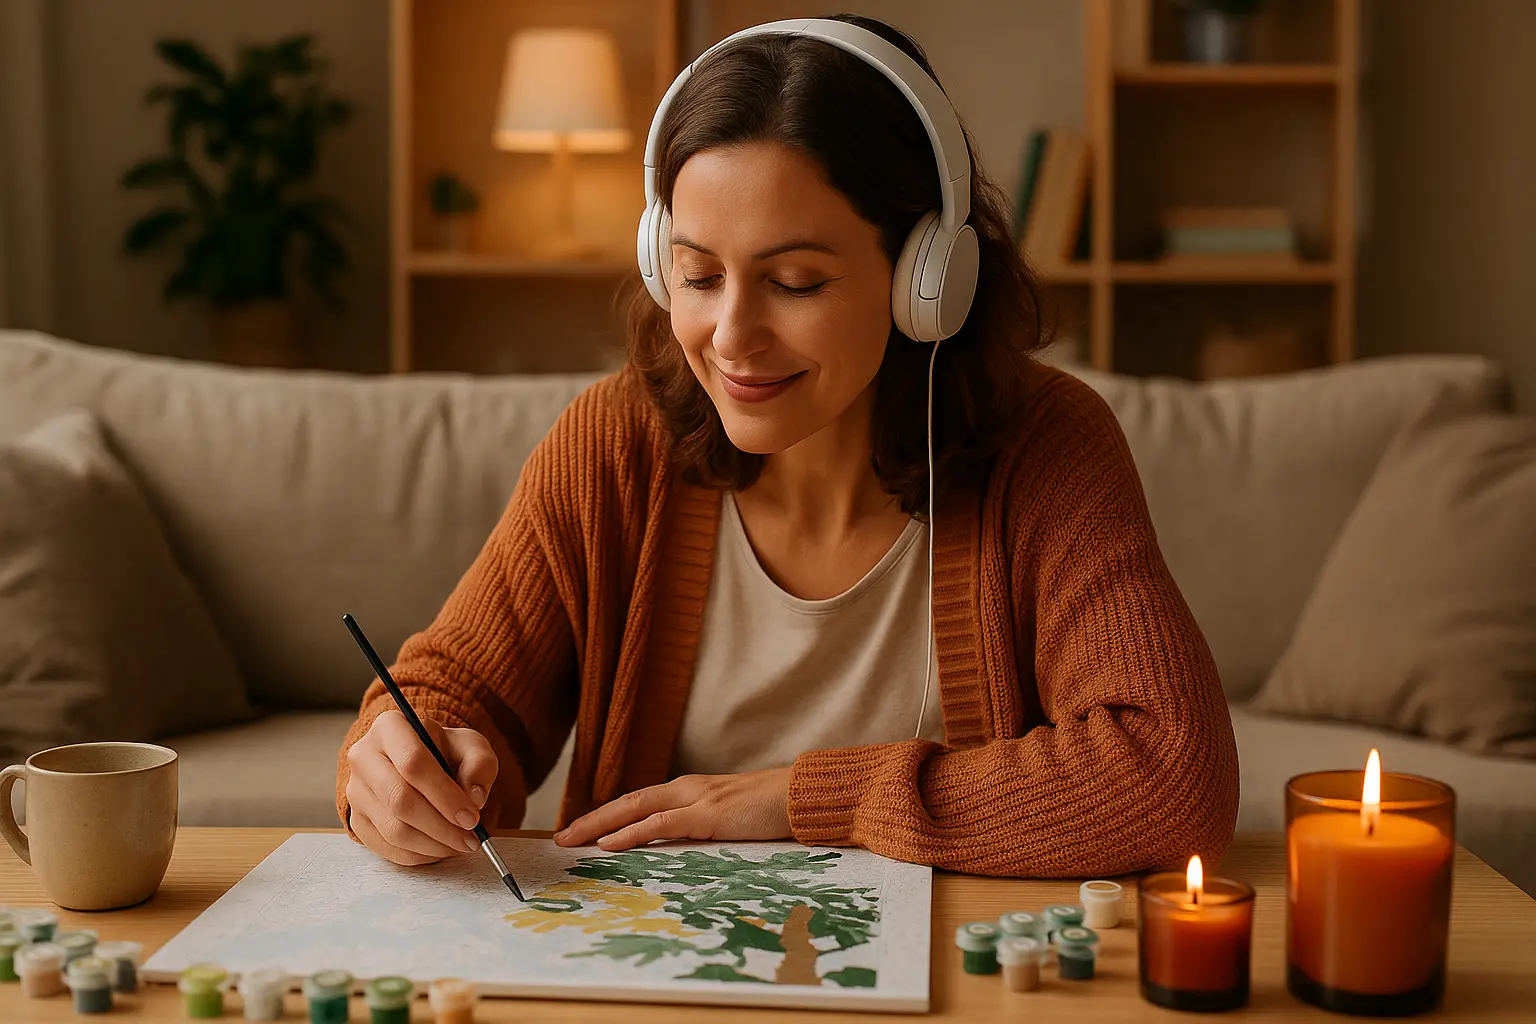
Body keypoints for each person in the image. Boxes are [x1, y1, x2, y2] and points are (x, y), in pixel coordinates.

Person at [336, 14, 1238, 878]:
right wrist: (402, 761)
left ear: (928, 278)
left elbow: (1171, 774)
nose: (731, 335)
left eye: (796, 281)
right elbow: (454, 694)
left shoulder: (1046, 448)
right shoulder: (615, 446)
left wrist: (804, 802)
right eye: (697, 275)